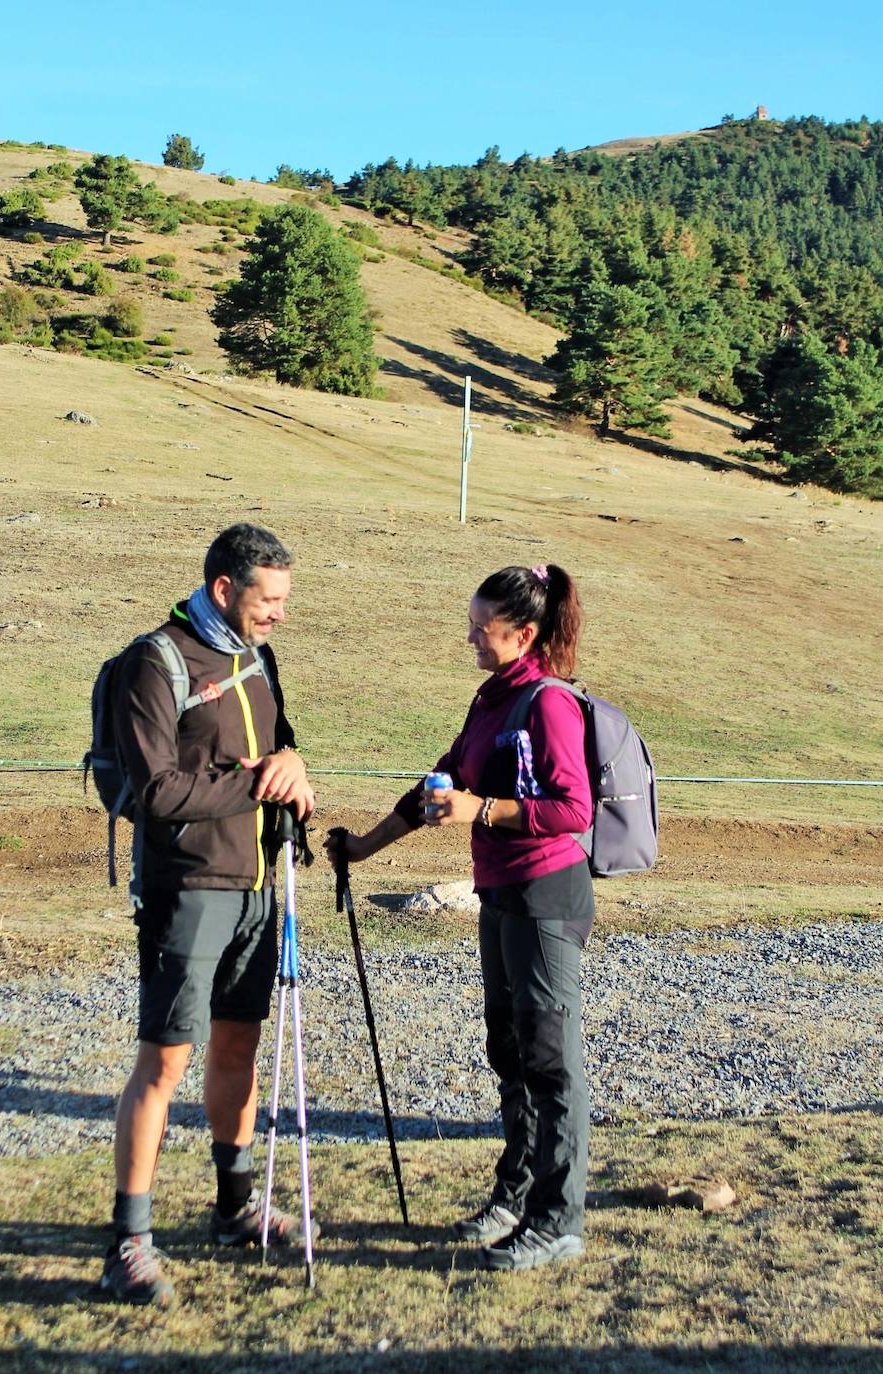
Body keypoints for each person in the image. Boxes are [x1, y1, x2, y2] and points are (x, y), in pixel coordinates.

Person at [327, 563, 594, 1272]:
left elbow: (573, 810)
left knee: (548, 1059)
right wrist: (363, 847)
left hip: (546, 895)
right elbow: (437, 786)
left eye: (483, 629)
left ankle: (557, 1219)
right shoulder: (492, 698)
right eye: (471, 625)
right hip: (500, 894)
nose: (470, 638)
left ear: (524, 633)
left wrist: (485, 811)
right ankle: (515, 1194)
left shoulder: (547, 704)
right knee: (508, 1050)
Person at [101, 523, 316, 1307]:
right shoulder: (154, 662)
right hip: (189, 890)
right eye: (270, 599)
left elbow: (278, 750)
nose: (280, 615)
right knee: (164, 1064)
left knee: (238, 1052)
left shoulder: (258, 659)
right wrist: (260, 781)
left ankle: (234, 1208)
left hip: (259, 887)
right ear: (225, 589)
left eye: (284, 600)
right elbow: (156, 792)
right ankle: (128, 1244)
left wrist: (290, 766)